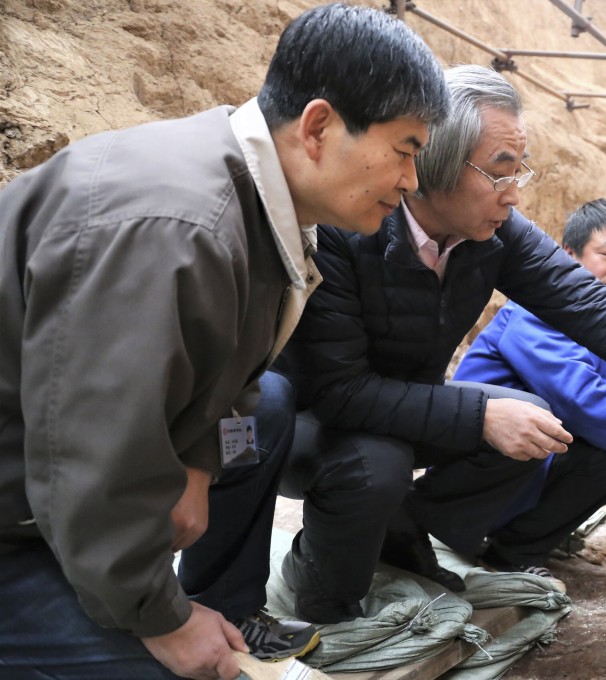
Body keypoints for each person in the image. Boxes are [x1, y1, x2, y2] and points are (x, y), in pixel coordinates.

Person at [0, 4, 449, 680]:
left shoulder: (265, 206)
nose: (412, 181)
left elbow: (243, 372)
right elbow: (88, 458)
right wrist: (164, 618)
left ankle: (220, 604)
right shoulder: (178, 229)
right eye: (406, 150)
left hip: (50, 482)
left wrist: (202, 466)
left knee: (268, 403)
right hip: (25, 509)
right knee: (177, 670)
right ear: (319, 127)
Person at [274, 64, 606, 626]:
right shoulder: (345, 226)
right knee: (379, 461)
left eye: (519, 170)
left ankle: (406, 535)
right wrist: (479, 414)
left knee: (531, 418)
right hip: (314, 421)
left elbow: (596, 310)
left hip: (401, 411)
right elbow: (336, 390)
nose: (514, 192)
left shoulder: (493, 233)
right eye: (500, 172)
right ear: (435, 162)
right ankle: (319, 585)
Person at [416, 198, 606, 575]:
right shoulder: (532, 313)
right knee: (546, 424)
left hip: (526, 474)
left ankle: (514, 553)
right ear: (568, 256)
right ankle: (437, 528)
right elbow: (579, 396)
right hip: (475, 475)